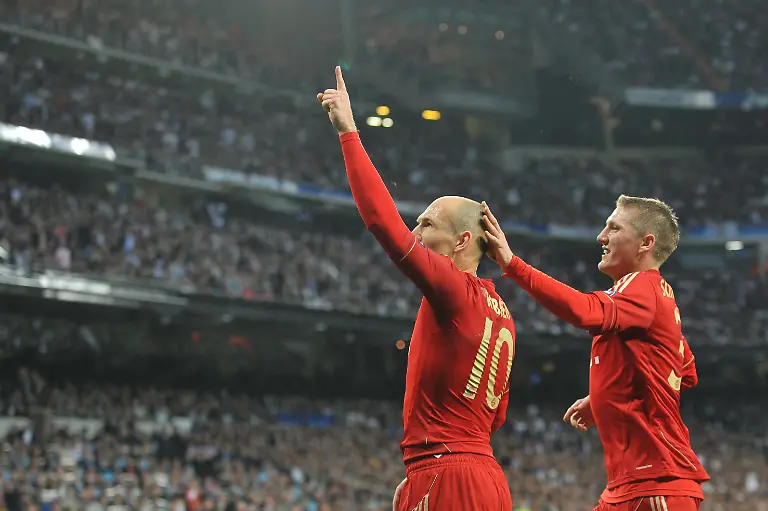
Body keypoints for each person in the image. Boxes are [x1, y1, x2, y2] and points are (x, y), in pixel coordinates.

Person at [317, 67, 514, 511]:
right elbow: (495, 415)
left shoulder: (453, 288)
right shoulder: (501, 310)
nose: (416, 229)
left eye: (427, 223)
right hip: (485, 477)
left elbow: (381, 222)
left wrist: (349, 131)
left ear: (462, 241)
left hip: (447, 473)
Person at [481, 196, 709, 511]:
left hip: (654, 485)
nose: (601, 237)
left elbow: (584, 311)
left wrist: (511, 263)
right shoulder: (659, 297)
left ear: (646, 243)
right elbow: (685, 371)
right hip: (632, 486)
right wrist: (607, 395)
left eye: (613, 228)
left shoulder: (641, 287)